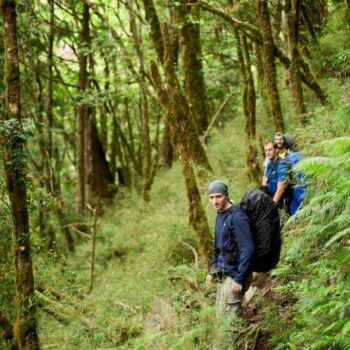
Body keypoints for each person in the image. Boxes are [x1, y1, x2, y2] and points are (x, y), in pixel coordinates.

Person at [205, 180, 255, 318]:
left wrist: (239, 278)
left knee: (230, 320)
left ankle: (239, 339)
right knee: (220, 317)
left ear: (226, 196)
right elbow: (218, 246)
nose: (215, 201)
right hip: (223, 271)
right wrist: (212, 270)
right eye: (211, 197)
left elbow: (248, 248)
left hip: (235, 274)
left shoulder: (237, 216)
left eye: (218, 196)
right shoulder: (220, 214)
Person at [261, 141, 288, 205]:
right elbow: (264, 182)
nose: (267, 152)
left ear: (276, 150)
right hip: (271, 197)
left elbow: (280, 189)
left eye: (270, 150)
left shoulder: (282, 165)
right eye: (266, 150)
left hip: (282, 200)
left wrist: (271, 207)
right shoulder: (269, 165)